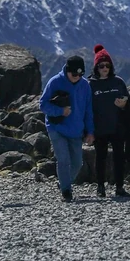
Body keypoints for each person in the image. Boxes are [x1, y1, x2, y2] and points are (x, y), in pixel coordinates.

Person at [39, 55, 94, 202]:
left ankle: (64, 182)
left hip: (76, 130)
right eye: (74, 74)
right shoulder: (55, 82)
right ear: (67, 70)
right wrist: (60, 112)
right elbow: (43, 105)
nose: (77, 77)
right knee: (63, 159)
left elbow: (89, 110)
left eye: (80, 74)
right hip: (56, 127)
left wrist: (90, 131)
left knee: (77, 163)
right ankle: (66, 191)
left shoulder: (85, 85)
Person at [88, 45, 130, 198]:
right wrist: (88, 130)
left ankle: (119, 187)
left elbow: (129, 104)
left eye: (107, 65)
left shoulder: (118, 82)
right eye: (101, 65)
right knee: (100, 157)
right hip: (99, 127)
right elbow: (86, 107)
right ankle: (100, 187)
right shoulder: (90, 84)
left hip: (117, 127)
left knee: (119, 158)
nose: (105, 68)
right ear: (96, 67)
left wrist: (124, 106)